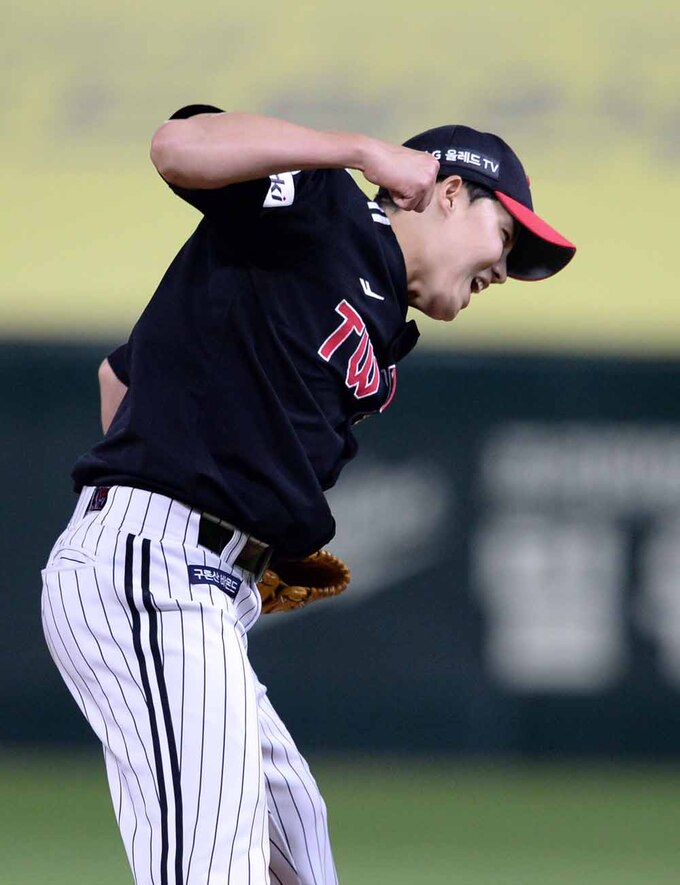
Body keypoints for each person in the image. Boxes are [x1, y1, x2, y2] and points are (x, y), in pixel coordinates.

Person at [41, 103, 575, 885]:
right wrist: (357, 150)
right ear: (450, 193)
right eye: (506, 234)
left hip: (202, 588)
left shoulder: (383, 325)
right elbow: (177, 145)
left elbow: (119, 376)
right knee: (212, 867)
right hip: (154, 570)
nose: (505, 266)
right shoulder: (324, 207)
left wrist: (244, 534)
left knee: (300, 844)